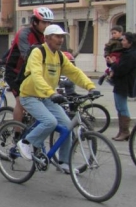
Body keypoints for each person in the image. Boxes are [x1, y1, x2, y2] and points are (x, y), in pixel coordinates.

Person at [16, 25, 98, 174]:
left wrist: (90, 87)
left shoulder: (59, 56)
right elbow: (36, 75)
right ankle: (26, 142)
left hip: (47, 96)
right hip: (30, 96)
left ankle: (64, 162)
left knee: (67, 126)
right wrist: (51, 93)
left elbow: (75, 73)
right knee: (50, 121)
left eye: (62, 37)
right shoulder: (38, 52)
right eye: (57, 36)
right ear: (47, 38)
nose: (61, 39)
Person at [4, 7, 55, 126]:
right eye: (44, 22)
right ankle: (17, 133)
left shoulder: (47, 36)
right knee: (21, 101)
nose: (47, 25)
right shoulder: (24, 33)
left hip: (30, 73)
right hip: (15, 72)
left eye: (49, 22)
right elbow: (27, 55)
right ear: (35, 22)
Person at [108, 31, 136, 141]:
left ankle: (125, 131)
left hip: (123, 83)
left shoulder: (131, 54)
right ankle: (122, 131)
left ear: (130, 42)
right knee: (119, 107)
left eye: (123, 40)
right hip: (121, 83)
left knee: (122, 107)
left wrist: (112, 64)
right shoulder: (128, 52)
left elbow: (121, 70)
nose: (122, 42)